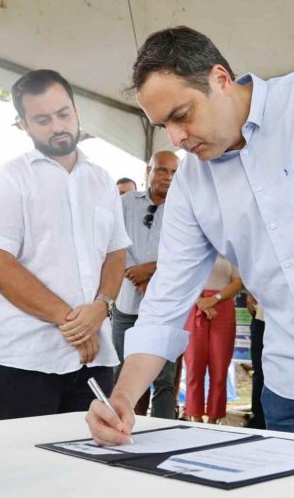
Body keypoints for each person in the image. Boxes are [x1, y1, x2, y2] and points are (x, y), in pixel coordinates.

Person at [86, 26, 294, 452]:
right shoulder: (191, 185)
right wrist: (123, 398)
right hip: (293, 380)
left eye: (182, 115)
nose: (176, 138)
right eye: (163, 126)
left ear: (220, 79)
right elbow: (165, 301)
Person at [0, 69, 130, 420]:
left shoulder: (102, 180)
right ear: (23, 125)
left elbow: (116, 252)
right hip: (24, 360)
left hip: (95, 359)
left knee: (89, 454)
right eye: (43, 120)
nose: (58, 126)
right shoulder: (8, 179)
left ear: (76, 111)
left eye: (63, 114)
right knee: (21, 456)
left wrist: (101, 306)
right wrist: (72, 322)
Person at [111, 150, 180, 418]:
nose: (168, 177)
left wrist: (149, 271)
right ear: (148, 171)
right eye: (162, 170)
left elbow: (183, 255)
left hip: (164, 308)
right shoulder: (126, 203)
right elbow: (114, 242)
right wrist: (136, 276)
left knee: (164, 378)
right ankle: (122, 424)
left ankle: (164, 430)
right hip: (126, 304)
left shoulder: (184, 207)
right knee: (121, 373)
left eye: (174, 172)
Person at [183, 256, 243, 423]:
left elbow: (238, 282)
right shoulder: (193, 250)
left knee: (219, 366)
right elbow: (184, 279)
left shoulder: (230, 251)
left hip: (222, 306)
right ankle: (194, 415)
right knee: (194, 365)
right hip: (195, 305)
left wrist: (214, 299)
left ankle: (214, 417)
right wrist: (201, 303)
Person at [246, 292, 266, 429]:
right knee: (259, 372)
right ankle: (258, 420)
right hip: (262, 317)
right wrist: (250, 293)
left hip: (293, 321)